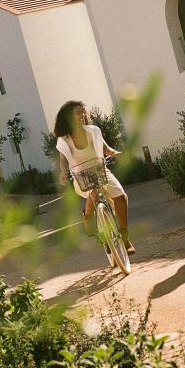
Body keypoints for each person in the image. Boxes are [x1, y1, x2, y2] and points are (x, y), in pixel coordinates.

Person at [54, 101, 135, 254]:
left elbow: (105, 149)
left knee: (121, 197)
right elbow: (63, 160)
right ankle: (89, 216)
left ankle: (124, 238)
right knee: (92, 192)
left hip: (100, 171)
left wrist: (116, 154)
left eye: (83, 112)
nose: (82, 115)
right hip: (81, 176)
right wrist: (63, 173)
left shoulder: (93, 131)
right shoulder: (64, 140)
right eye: (78, 113)